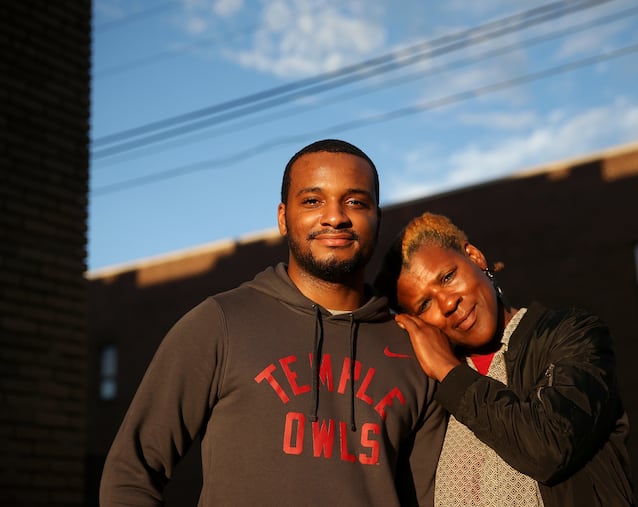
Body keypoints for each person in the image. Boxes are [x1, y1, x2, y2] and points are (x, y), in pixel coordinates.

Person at [100, 140, 446, 506]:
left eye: (355, 202)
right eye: (313, 201)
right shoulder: (221, 323)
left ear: (377, 217)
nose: (335, 217)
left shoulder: (414, 348)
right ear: (283, 217)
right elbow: (131, 474)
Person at [373, 212, 635, 507]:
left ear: (475, 257)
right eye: (425, 304)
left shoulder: (573, 334)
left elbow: (550, 447)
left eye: (448, 277)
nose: (448, 303)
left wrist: (450, 372)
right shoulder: (428, 393)